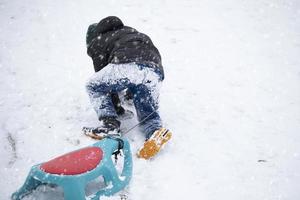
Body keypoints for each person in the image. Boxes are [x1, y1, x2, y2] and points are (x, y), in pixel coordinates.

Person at [85, 16, 171, 159]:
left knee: (94, 86)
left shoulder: (98, 41)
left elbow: (105, 83)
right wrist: (132, 93)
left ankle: (110, 126)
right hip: (154, 71)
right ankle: (155, 131)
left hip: (127, 64)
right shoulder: (132, 32)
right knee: (143, 99)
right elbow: (144, 60)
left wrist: (117, 108)